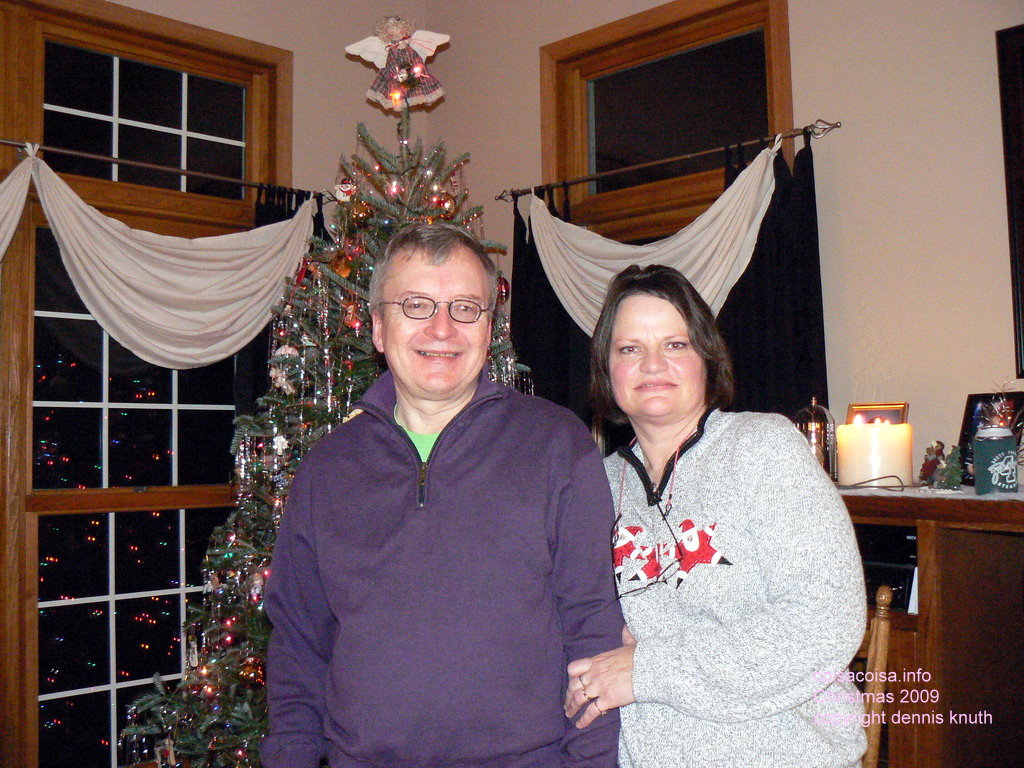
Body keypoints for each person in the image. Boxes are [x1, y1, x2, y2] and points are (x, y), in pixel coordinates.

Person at [262, 222, 623, 768]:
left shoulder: (557, 445)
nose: (442, 328)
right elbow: (297, 645)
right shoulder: (326, 470)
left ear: (488, 329)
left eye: (464, 308)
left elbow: (592, 628)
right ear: (379, 328)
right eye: (416, 305)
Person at [563, 264, 867, 767]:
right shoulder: (594, 485)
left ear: (707, 357)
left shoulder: (763, 449)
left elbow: (823, 620)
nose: (652, 364)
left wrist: (645, 669)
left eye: (675, 345)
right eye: (630, 348)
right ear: (606, 368)